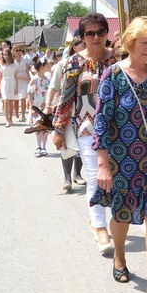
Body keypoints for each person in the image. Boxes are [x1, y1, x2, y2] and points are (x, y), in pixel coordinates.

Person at [91, 16, 147, 293]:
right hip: (121, 158)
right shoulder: (113, 76)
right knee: (122, 214)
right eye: (144, 43)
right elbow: (102, 122)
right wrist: (103, 165)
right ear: (130, 42)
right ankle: (119, 256)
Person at [52, 13, 115, 254]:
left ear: (106, 33)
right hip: (87, 129)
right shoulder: (74, 63)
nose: (96, 37)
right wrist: (59, 129)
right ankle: (99, 226)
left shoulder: (118, 59)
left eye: (100, 32)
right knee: (94, 178)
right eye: (90, 33)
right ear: (82, 36)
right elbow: (66, 98)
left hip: (117, 129)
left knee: (115, 178)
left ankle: (111, 220)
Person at [46, 36, 86, 191]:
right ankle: (67, 177)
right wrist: (48, 105)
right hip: (67, 111)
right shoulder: (62, 64)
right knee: (66, 143)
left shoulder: (90, 64)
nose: (85, 46)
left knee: (83, 144)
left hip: (85, 111)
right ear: (74, 47)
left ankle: (77, 174)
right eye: (82, 44)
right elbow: (54, 87)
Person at [27, 58, 52, 157]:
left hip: (45, 107)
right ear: (42, 67)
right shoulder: (34, 79)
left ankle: (44, 147)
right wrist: (31, 107)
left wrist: (47, 103)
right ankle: (38, 147)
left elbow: (50, 93)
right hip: (36, 106)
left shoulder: (48, 80)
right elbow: (30, 93)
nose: (48, 66)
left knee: (45, 127)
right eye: (47, 65)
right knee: (38, 127)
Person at [0, 48, 18, 128]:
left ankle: (10, 118)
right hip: (4, 82)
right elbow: (0, 77)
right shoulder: (1, 64)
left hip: (12, 82)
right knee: (5, 101)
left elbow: (16, 76)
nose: (5, 56)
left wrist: (16, 87)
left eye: (6, 54)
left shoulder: (14, 64)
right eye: (4, 55)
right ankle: (7, 120)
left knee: (11, 101)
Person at [13, 46, 31, 122]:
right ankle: (16, 115)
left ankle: (23, 115)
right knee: (16, 99)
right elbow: (13, 73)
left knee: (23, 98)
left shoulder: (24, 59)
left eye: (20, 50)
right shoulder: (12, 61)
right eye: (16, 50)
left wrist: (29, 77)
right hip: (16, 80)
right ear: (13, 51)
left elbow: (26, 69)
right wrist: (22, 77)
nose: (18, 51)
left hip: (24, 81)